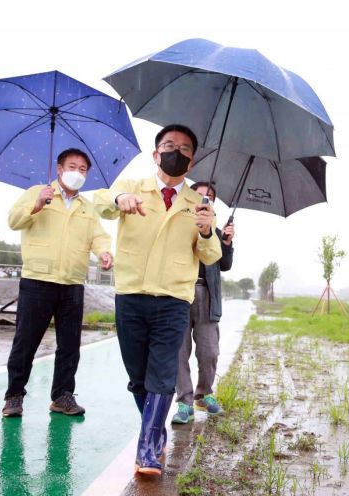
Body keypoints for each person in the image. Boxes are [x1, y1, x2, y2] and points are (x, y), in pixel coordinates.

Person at [94, 124, 221, 476]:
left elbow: (210, 256)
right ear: (155, 154)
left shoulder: (200, 204)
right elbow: (100, 202)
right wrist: (119, 200)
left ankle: (147, 450)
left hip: (173, 299)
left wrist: (208, 230)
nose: (175, 151)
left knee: (163, 375)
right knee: (138, 378)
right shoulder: (133, 187)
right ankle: (156, 432)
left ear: (191, 161)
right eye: (168, 145)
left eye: (183, 148)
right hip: (131, 294)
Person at [2, 148, 113, 418]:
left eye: (83, 169)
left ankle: (62, 395)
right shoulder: (37, 193)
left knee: (69, 345)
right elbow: (13, 221)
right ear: (59, 169)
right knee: (26, 342)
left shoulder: (86, 207)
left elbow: (98, 236)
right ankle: (14, 396)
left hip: (73, 282)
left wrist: (104, 252)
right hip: (38, 279)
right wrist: (37, 204)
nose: (78, 172)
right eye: (72, 166)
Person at [172, 182, 235, 424]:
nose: (204, 198)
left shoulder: (217, 233)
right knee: (179, 350)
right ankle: (185, 401)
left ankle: (204, 394)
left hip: (207, 296)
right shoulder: (178, 226)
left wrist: (227, 242)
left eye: (209, 196)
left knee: (209, 351)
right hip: (179, 292)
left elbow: (226, 265)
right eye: (199, 194)